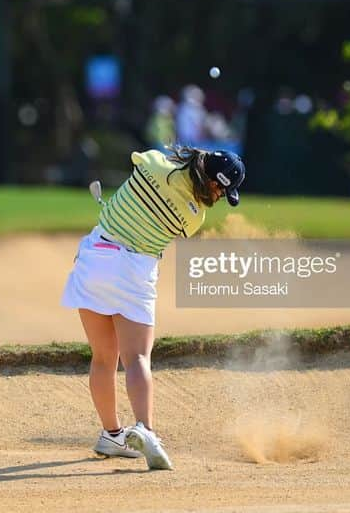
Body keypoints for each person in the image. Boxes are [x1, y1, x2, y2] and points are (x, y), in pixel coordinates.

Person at [60, 145, 245, 470]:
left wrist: (188, 160)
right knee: (137, 358)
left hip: (94, 257)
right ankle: (144, 428)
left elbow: (145, 158)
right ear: (212, 183)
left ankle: (111, 435)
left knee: (103, 357)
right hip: (133, 271)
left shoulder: (152, 163)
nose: (218, 198)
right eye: (220, 190)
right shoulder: (193, 217)